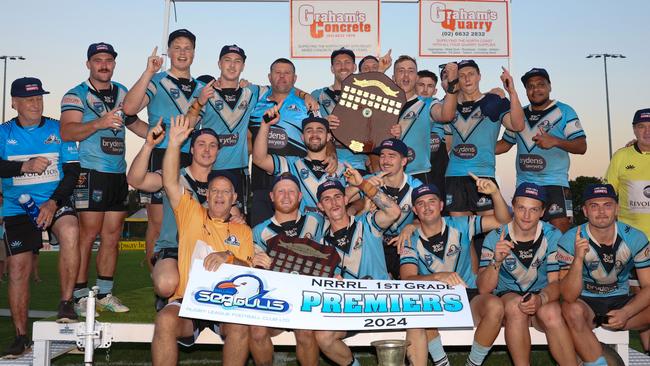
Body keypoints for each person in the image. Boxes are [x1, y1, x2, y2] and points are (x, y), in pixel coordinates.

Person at [152, 114, 253, 366]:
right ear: (206, 195)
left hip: (227, 302)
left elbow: (249, 272)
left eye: (226, 192)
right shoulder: (191, 214)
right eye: (215, 191)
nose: (219, 195)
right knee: (164, 319)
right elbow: (170, 182)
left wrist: (228, 257)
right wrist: (174, 144)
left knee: (241, 326)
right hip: (189, 300)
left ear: (234, 198)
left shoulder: (243, 230)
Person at [61, 42, 149, 315]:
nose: (104, 65)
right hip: (90, 172)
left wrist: (165, 136)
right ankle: (78, 296)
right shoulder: (76, 95)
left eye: (109, 60)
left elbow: (134, 124)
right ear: (88, 63)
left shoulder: (123, 93)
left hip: (117, 174)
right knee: (88, 235)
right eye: (98, 60)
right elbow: (67, 131)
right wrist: (99, 123)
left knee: (112, 236)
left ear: (114, 63)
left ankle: (105, 293)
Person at [0, 77, 81, 358]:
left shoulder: (59, 130)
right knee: (19, 269)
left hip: (54, 200)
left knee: (70, 230)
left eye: (39, 98)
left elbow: (72, 172)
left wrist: (53, 202)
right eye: (29, 99)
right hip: (17, 208)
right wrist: (24, 166)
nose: (36, 104)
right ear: (14, 103)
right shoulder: (3, 133)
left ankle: (66, 303)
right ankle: (21, 336)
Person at [397, 178, 510, 366]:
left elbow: (503, 221)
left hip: (467, 296)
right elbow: (407, 278)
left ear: (441, 205)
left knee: (495, 306)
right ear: (415, 211)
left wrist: (495, 194)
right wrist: (438, 277)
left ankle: (472, 364)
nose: (426, 207)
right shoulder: (408, 238)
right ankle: (442, 363)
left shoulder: (461, 224)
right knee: (419, 306)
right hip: (434, 300)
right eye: (420, 203)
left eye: (431, 201)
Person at [122, 29, 204, 270]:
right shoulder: (157, 81)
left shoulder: (201, 88)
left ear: (194, 53)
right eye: (176, 47)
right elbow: (129, 107)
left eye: (187, 48)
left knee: (186, 223)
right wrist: (149, 71)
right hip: (161, 155)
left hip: (190, 159)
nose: (182, 52)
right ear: (168, 52)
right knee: (158, 225)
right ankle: (156, 280)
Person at [478, 182, 577, 365]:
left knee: (553, 312)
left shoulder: (553, 235)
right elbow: (484, 289)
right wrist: (496, 261)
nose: (526, 215)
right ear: (513, 207)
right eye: (521, 208)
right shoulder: (495, 237)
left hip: (541, 297)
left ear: (542, 211)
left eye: (533, 210)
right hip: (507, 300)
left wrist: (541, 299)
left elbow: (556, 283)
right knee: (516, 306)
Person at [127, 123, 222, 310]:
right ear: (192, 149)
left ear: (218, 152)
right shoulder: (174, 177)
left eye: (213, 145)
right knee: (165, 284)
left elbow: (233, 215)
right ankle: (169, 295)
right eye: (201, 144)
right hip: (174, 248)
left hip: (208, 250)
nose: (207, 149)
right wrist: (148, 146)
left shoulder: (221, 183)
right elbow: (135, 180)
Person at [314, 170, 402, 366]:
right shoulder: (320, 245)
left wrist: (363, 184)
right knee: (323, 336)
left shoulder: (368, 224)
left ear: (346, 200)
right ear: (320, 207)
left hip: (382, 304)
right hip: (351, 308)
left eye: (337, 197)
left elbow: (394, 212)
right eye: (327, 200)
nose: (334, 203)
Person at [558, 184, 650, 366]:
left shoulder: (635, 237)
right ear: (585, 210)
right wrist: (578, 259)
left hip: (621, 300)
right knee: (571, 309)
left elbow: (648, 286)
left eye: (607, 205)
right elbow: (568, 296)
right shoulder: (570, 238)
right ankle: (596, 358)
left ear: (617, 208)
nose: (601, 212)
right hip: (586, 302)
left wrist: (625, 313)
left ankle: (587, 347)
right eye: (594, 206)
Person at [496, 68, 587, 232]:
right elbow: (505, 144)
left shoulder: (564, 111)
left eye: (540, 85)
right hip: (525, 183)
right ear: (526, 90)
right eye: (530, 86)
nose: (535, 89)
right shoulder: (519, 113)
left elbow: (581, 146)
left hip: (555, 183)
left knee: (560, 233)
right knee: (524, 232)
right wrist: (475, 149)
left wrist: (555, 141)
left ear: (549, 86)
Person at [249, 173, 324, 365]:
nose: (286, 196)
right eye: (280, 191)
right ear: (272, 197)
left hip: (309, 298)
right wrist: (258, 263)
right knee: (257, 331)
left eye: (291, 191)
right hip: (276, 300)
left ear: (300, 196)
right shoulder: (259, 231)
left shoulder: (317, 222)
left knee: (305, 331)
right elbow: (255, 271)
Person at [442, 60, 524, 217]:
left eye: (471, 74)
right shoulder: (449, 106)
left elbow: (517, 125)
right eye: (462, 75)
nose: (467, 79)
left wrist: (512, 92)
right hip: (454, 176)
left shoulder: (494, 102)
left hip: (483, 174)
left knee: (494, 229)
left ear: (479, 76)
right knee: (462, 233)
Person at [248, 58, 321, 225]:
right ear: (269, 76)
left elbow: (321, 137)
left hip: (296, 184)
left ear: (295, 79)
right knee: (261, 239)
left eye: (287, 73)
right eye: (277, 73)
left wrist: (331, 155)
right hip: (261, 185)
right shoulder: (255, 103)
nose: (282, 77)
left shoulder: (306, 105)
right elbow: (248, 142)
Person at [604, 108, 650, 353]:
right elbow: (607, 195)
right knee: (639, 296)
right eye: (642, 126)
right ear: (634, 129)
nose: (647, 131)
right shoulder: (621, 156)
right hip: (631, 242)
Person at [346, 138, 423, 279]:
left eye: (391, 156)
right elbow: (343, 199)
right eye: (382, 155)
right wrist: (363, 184)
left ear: (404, 161)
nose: (385, 160)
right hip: (373, 244)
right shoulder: (370, 179)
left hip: (403, 245)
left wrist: (411, 226)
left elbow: (428, 218)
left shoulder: (416, 186)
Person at [253, 114, 346, 213]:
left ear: (328, 137)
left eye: (320, 130)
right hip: (304, 227)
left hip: (335, 226)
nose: (314, 134)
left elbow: (357, 198)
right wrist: (265, 125)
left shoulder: (342, 168)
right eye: (309, 131)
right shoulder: (291, 164)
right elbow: (259, 159)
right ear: (302, 137)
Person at [390, 56, 456, 185]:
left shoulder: (428, 103)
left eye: (411, 71)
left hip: (419, 175)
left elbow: (446, 115)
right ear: (393, 78)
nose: (406, 76)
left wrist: (452, 85)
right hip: (390, 176)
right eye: (401, 71)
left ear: (416, 78)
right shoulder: (384, 103)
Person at [311, 48, 369, 173]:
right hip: (325, 161)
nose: (343, 67)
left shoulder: (366, 96)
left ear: (354, 67)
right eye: (338, 63)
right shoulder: (317, 95)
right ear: (332, 68)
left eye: (347, 62)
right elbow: (306, 126)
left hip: (357, 162)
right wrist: (322, 123)